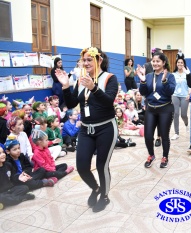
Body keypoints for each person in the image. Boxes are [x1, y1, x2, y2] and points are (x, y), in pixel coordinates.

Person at [55, 47, 119, 212]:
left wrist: (94, 87)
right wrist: (65, 87)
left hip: (106, 128)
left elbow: (108, 101)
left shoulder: (109, 78)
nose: (86, 63)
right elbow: (70, 104)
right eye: (84, 60)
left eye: (89, 60)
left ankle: (104, 196)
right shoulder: (81, 80)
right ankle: (95, 188)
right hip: (86, 129)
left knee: (101, 165)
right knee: (82, 166)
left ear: (99, 60)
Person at [136, 52, 176, 169]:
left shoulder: (170, 76)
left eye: (158, 61)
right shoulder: (148, 76)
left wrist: (164, 81)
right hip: (151, 109)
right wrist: (142, 81)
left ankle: (165, 157)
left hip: (165, 109)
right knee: (148, 135)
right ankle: (151, 155)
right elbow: (143, 93)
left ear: (163, 63)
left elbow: (170, 92)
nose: (155, 63)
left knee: (164, 135)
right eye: (153, 61)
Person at [0, 143, 35, 210]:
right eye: (0, 153)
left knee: (25, 187)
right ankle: (23, 197)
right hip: (1, 193)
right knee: (2, 197)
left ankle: (6, 202)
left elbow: (13, 177)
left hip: (10, 189)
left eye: (2, 152)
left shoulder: (8, 165)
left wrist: (19, 177)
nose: (3, 155)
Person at [171, 57, 191, 140]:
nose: (180, 64)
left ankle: (186, 124)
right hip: (175, 95)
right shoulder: (173, 74)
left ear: (184, 64)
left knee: (183, 114)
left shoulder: (187, 73)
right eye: (178, 62)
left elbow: (190, 85)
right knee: (175, 113)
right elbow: (171, 85)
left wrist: (189, 93)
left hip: (184, 95)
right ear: (176, 64)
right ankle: (176, 133)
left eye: (181, 62)